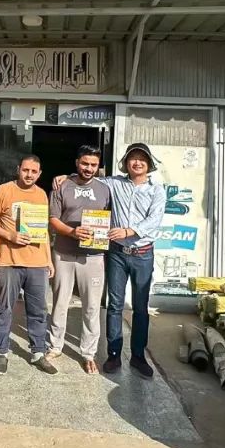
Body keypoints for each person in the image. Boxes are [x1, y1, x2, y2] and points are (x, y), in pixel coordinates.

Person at [54, 143, 166, 379]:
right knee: (114, 305)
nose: (137, 163)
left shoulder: (157, 190)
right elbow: (87, 176)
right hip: (116, 253)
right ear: (126, 163)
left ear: (149, 164)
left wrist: (128, 231)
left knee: (140, 307)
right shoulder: (113, 183)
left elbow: (154, 219)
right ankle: (114, 354)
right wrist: (66, 176)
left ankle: (138, 356)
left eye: (142, 159)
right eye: (132, 158)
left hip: (143, 253)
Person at [0, 155, 58, 376]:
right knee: (4, 308)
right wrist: (10, 236)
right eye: (26, 170)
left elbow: (43, 230)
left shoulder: (41, 194)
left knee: (38, 310)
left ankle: (38, 353)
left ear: (39, 174)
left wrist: (48, 259)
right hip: (9, 261)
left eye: (34, 171)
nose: (29, 175)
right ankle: (1, 353)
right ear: (18, 169)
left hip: (37, 263)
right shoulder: (4, 190)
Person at [47, 145, 112, 375]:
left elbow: (110, 218)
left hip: (94, 256)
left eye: (94, 164)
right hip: (63, 253)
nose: (89, 168)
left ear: (99, 166)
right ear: (77, 162)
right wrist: (72, 232)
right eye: (85, 163)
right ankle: (55, 346)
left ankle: (88, 353)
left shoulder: (105, 189)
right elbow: (53, 219)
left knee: (92, 306)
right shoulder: (61, 185)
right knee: (60, 302)